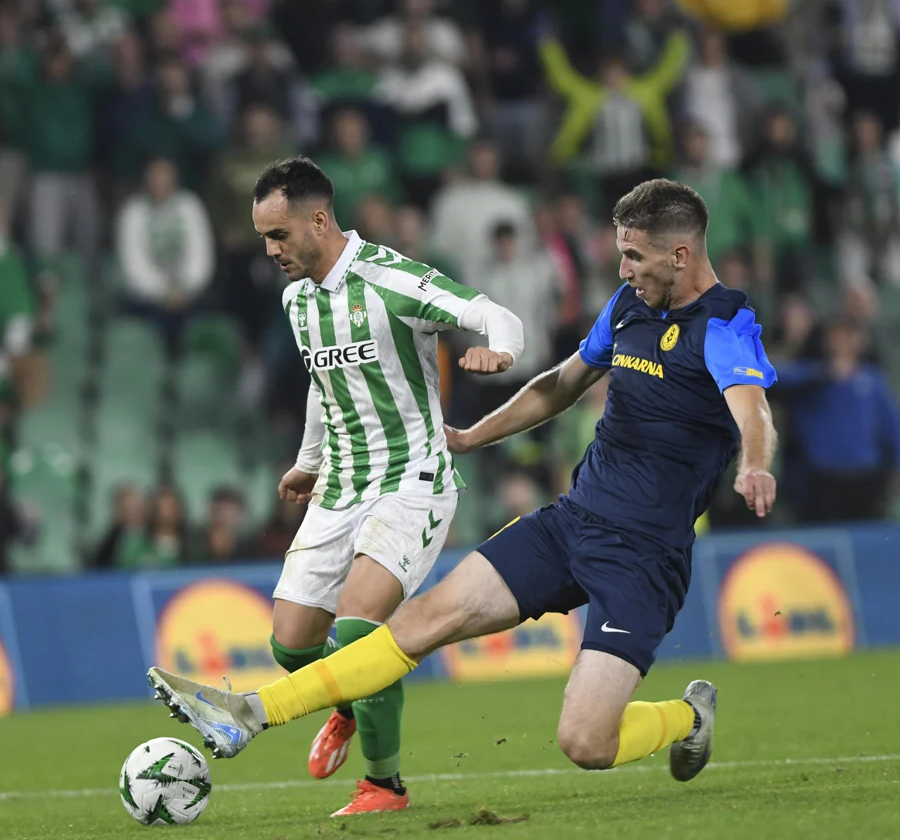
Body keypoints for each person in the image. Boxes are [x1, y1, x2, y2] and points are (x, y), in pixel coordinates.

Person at [148, 178, 779, 797]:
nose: (622, 268)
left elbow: (751, 407)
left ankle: (690, 717)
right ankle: (250, 712)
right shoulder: (627, 307)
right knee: (418, 622)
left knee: (587, 742)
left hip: (644, 555)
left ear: (681, 254)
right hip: (571, 522)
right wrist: (477, 435)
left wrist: (753, 463)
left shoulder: (724, 324)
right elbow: (560, 385)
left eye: (634, 256)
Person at [196, 157, 523, 817]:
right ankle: (348, 701)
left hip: (412, 480)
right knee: (290, 642)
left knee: (359, 631)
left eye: (281, 234)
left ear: (319, 219)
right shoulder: (297, 300)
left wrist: (500, 352)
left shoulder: (391, 280)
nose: (271, 250)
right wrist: (307, 460)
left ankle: (384, 785)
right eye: (264, 237)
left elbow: (494, 313)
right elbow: (326, 386)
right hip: (340, 486)